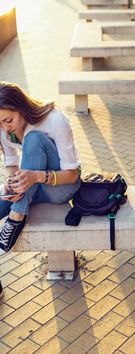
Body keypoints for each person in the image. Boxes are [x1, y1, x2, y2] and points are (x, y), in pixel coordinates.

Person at [0, 81, 81, 256]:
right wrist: (11, 181)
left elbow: (73, 175)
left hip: (60, 188)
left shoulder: (55, 120)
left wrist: (36, 177)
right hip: (31, 188)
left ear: (20, 107)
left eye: (8, 120)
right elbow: (11, 164)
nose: (5, 128)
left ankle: (17, 216)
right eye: (0, 124)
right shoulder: (3, 127)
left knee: (34, 139)